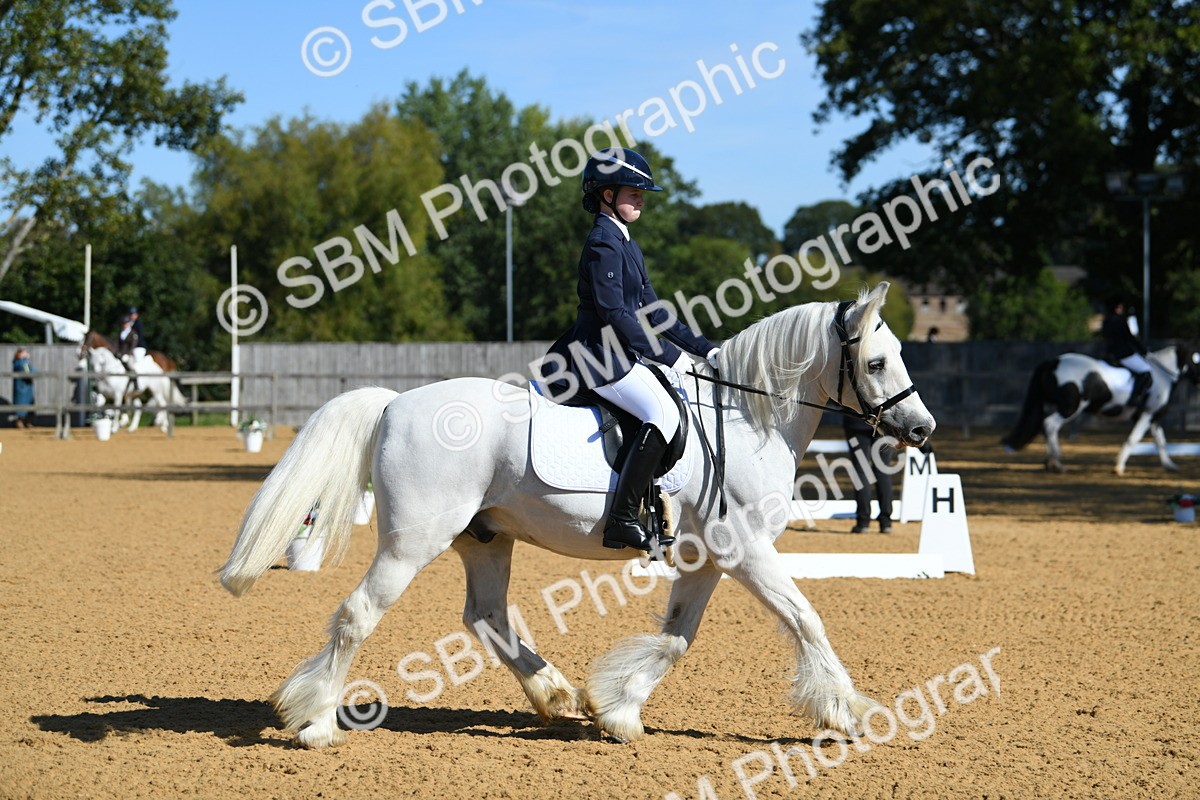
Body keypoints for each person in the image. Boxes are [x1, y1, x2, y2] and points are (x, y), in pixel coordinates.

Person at [542, 148, 720, 553]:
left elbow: (654, 312)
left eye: (642, 194)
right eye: (633, 193)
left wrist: (706, 350)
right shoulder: (602, 243)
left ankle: (650, 502)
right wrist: (670, 357)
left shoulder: (627, 244)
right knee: (663, 413)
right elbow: (615, 314)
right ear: (607, 195)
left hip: (618, 354)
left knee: (670, 403)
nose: (641, 200)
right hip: (596, 357)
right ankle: (622, 519)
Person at [843, 414, 895, 533]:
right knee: (883, 472)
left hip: (856, 422)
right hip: (883, 423)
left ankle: (863, 522)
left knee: (861, 471)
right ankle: (886, 522)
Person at [1101, 297, 1152, 409]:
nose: (1121, 308)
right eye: (1119, 306)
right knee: (1146, 370)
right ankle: (1134, 398)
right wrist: (1144, 351)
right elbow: (1130, 339)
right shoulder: (1121, 321)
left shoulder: (1106, 321)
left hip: (1109, 354)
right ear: (1116, 308)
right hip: (1123, 354)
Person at [12, 348, 35, 428]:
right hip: (21, 387)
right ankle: (19, 422)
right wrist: (25, 360)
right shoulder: (19, 362)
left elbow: (30, 370)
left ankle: (27, 421)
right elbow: (26, 371)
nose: (26, 354)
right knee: (21, 404)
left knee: (29, 404)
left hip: (28, 386)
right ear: (19, 354)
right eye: (24, 353)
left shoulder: (26, 362)